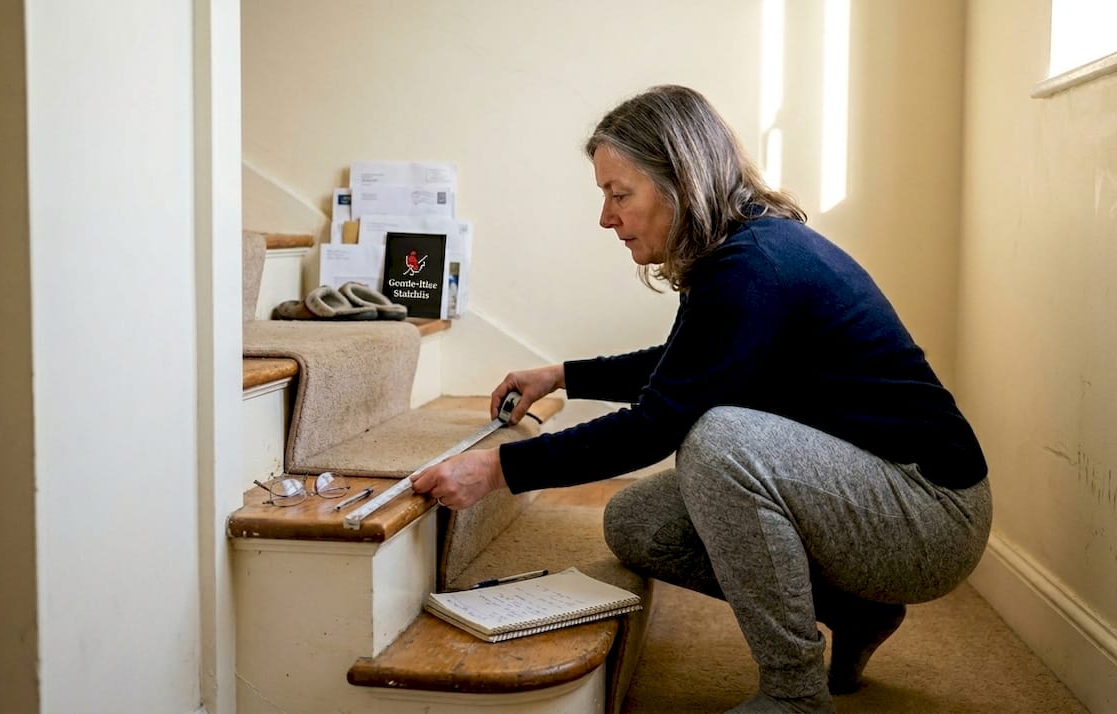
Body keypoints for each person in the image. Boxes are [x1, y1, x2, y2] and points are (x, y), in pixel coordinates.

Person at [410, 84, 991, 714]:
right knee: (637, 525)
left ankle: (794, 694)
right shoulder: (735, 253)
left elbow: (658, 423)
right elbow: (689, 368)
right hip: (874, 491)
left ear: (680, 182)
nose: (607, 218)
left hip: (930, 515)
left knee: (717, 441)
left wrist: (497, 469)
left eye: (618, 194)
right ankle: (855, 609)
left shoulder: (754, 267)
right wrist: (563, 375)